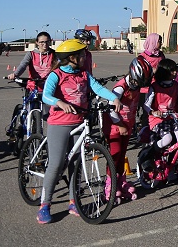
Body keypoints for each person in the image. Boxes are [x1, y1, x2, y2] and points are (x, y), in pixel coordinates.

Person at [38, 39, 121, 224]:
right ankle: (44, 205)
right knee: (56, 163)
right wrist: (59, 102)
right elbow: (46, 95)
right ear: (71, 58)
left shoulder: (84, 74)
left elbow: (97, 88)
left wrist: (113, 98)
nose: (85, 57)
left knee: (76, 164)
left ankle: (73, 201)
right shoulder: (56, 74)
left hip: (80, 122)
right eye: (82, 54)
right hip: (59, 124)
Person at [105, 57, 153, 203]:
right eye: (139, 82)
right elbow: (110, 109)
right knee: (115, 156)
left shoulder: (137, 86)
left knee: (122, 156)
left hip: (127, 125)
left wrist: (153, 110)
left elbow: (145, 102)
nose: (139, 86)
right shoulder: (121, 88)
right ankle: (109, 187)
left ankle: (121, 182)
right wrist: (119, 125)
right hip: (115, 126)